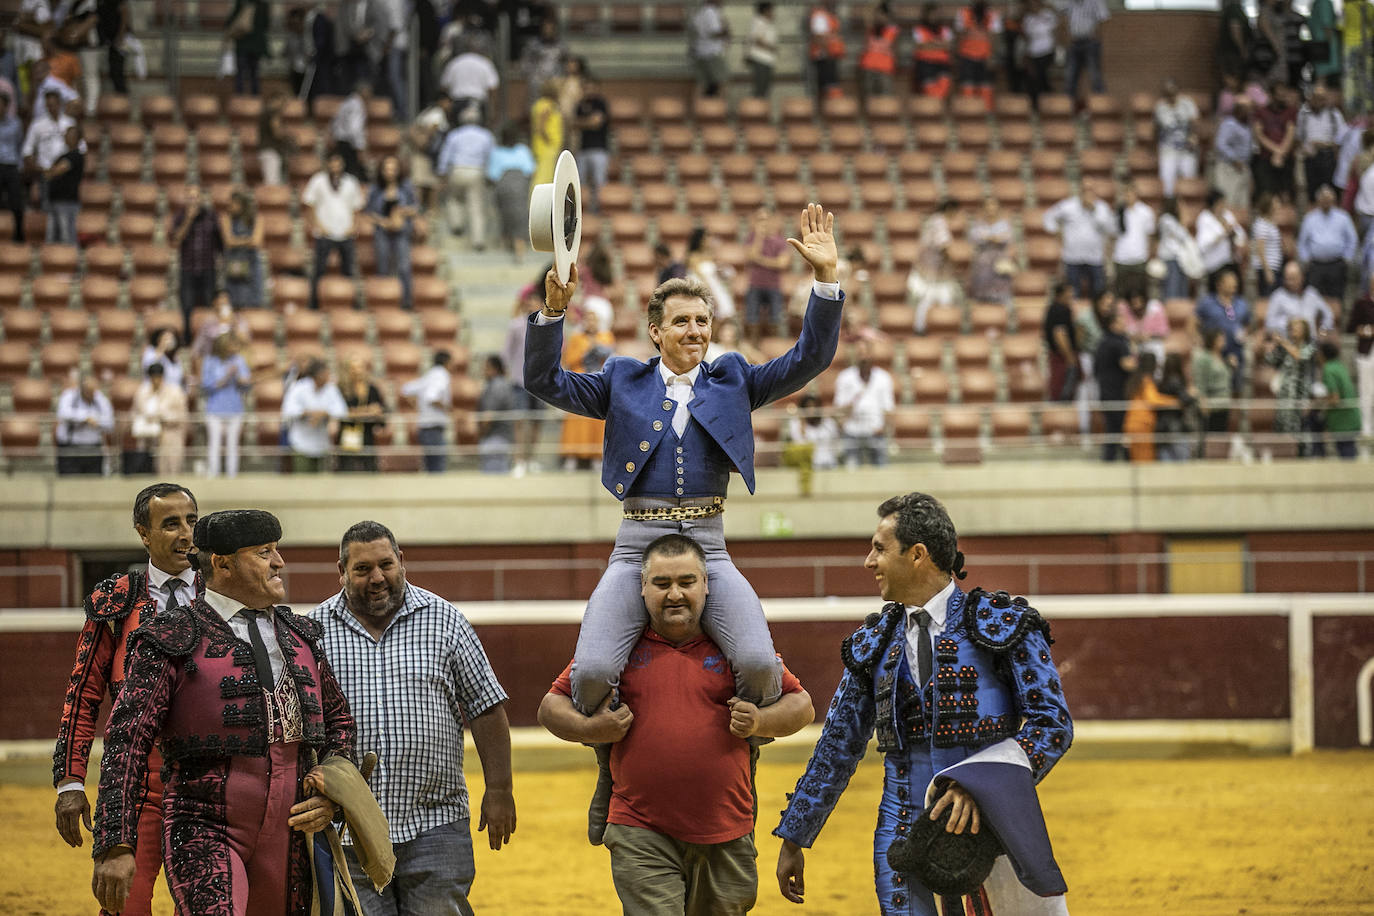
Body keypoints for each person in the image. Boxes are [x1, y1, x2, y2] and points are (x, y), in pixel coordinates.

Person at [525, 203, 843, 834]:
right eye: (682, 322)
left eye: (703, 320)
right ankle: (609, 767)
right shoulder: (620, 378)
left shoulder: (733, 378)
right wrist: (554, 313)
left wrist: (826, 282)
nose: (696, 331)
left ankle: (742, 761)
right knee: (590, 673)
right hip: (636, 545)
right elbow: (544, 381)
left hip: (709, 542)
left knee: (756, 664)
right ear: (655, 331)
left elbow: (807, 359)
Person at [775, 492, 1072, 916]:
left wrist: (980, 786)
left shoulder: (1001, 624)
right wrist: (795, 836)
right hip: (900, 832)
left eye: (879, 549)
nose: (868, 562)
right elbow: (837, 746)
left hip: (990, 822)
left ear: (917, 555)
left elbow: (1052, 724)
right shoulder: (873, 644)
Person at [90, 509, 358, 916]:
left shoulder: (300, 634)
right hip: (203, 825)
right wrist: (115, 842)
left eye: (277, 550)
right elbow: (126, 742)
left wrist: (331, 794)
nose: (279, 562)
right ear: (222, 563)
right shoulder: (169, 636)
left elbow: (340, 724)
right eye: (264, 552)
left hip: (289, 831)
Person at [539, 533, 814, 914]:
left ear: (706, 585)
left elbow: (802, 705)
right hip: (640, 830)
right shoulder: (619, 648)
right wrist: (591, 730)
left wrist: (760, 720)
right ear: (642, 588)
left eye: (686, 582)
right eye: (662, 583)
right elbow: (550, 706)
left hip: (728, 830)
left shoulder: (735, 647)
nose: (674, 594)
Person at [313, 520, 515, 913]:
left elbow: (487, 709)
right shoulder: (314, 631)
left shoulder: (445, 620)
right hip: (348, 826)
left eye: (386, 565)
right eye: (362, 569)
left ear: (401, 562)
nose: (377, 578)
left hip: (436, 820)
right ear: (341, 572)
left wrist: (500, 790)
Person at [52, 483, 200, 916]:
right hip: (137, 782)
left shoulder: (223, 592)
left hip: (210, 781)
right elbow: (82, 696)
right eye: (170, 524)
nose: (186, 535)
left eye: (191, 521)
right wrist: (71, 782)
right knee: (125, 905)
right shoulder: (119, 600)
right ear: (143, 532)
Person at [303, 152, 365, 311]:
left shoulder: (351, 182)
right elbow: (309, 204)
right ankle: (314, 303)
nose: (335, 167)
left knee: (349, 271)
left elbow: (357, 207)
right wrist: (318, 225)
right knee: (319, 270)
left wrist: (354, 226)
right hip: (324, 233)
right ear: (327, 164)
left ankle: (351, 303)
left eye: (338, 163)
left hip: (345, 233)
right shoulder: (318, 180)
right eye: (332, 163)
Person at [1043, 183, 1115, 299]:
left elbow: (1110, 228)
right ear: (1080, 192)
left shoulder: (1102, 207)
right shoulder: (1068, 205)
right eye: (1085, 191)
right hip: (1073, 258)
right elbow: (1048, 217)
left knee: (1097, 294)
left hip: (1095, 258)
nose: (1088, 194)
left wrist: (1094, 210)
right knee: (1072, 294)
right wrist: (1057, 233)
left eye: (1090, 191)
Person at [437, 104, 494, 249]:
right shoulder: (486, 135)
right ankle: (478, 240)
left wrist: (442, 171)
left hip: (457, 169)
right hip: (476, 171)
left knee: (454, 199)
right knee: (476, 205)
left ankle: (457, 224)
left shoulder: (454, 134)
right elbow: (491, 156)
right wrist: (489, 174)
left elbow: (445, 155)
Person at [170, 184, 223, 339]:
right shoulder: (180, 216)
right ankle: (188, 338)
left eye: (196, 197)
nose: (193, 201)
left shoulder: (211, 216)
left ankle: (209, 337)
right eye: (190, 197)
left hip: (208, 267)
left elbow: (220, 242)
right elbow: (175, 241)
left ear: (201, 198)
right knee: (187, 305)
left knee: (208, 304)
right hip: (187, 267)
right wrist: (188, 219)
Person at [366, 154, 418, 310]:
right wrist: (383, 222)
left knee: (404, 266)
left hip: (402, 229)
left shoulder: (406, 186)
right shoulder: (375, 189)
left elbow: (415, 208)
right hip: (382, 230)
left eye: (393, 169)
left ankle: (406, 302)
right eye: (387, 169)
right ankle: (384, 301)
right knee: (383, 265)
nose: (390, 172)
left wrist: (401, 212)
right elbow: (368, 211)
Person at [834, 338, 895, 467]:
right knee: (851, 470)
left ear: (872, 355)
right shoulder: (845, 377)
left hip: (875, 431)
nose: (864, 357)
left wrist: (883, 428)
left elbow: (889, 408)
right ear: (855, 356)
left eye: (866, 353)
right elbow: (838, 408)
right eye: (860, 353)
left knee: (881, 469)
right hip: (852, 431)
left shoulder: (883, 378)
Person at [282, 357, 348, 472]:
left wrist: (324, 413)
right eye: (326, 373)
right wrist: (309, 413)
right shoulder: (299, 387)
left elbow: (342, 411)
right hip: (301, 443)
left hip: (322, 443)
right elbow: (288, 410)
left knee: (322, 484)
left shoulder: (331, 389)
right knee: (303, 483)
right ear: (317, 375)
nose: (329, 376)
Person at [1265, 317, 1318, 453]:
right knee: (1282, 427)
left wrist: (1283, 342)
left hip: (1302, 395)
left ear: (1305, 330)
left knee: (1301, 428)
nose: (1293, 330)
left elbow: (1300, 356)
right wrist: (1271, 345)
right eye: (1291, 327)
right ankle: (1284, 454)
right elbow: (1269, 360)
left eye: (1297, 327)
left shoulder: (1311, 346)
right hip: (1285, 395)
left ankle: (1304, 457)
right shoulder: (1284, 348)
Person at [1196, 267, 1252, 394]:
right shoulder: (1208, 302)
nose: (1234, 284)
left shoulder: (1241, 303)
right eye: (1230, 281)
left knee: (1236, 387)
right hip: (1212, 352)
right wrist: (1197, 338)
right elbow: (1194, 321)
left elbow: (1247, 324)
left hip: (1235, 350)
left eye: (1235, 281)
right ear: (1219, 284)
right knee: (1213, 387)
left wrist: (1244, 334)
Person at [202, 332, 251, 478]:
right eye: (232, 344)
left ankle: (232, 476)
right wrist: (226, 376)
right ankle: (213, 475)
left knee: (233, 445)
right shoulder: (210, 361)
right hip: (215, 409)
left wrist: (242, 380)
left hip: (235, 408)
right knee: (214, 444)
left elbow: (246, 384)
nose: (235, 348)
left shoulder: (239, 360)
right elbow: (207, 386)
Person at [1297, 184, 1358, 298]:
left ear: (1333, 200)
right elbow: (1302, 242)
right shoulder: (1309, 218)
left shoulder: (1343, 217)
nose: (1326, 202)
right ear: (1318, 200)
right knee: (1312, 297)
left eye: (1328, 199)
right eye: (1323, 199)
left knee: (1336, 297)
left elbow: (1352, 239)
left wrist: (1347, 258)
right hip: (1315, 265)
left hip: (1336, 264)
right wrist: (1305, 259)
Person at [487, 123, 536, 260]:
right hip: (520, 185)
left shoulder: (496, 152)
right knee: (520, 217)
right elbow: (531, 170)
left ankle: (506, 245)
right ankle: (519, 249)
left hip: (503, 185)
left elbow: (492, 175)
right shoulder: (523, 150)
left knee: (505, 216)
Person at [1094, 306, 1137, 461]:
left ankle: (1109, 459)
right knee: (1121, 428)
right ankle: (1125, 459)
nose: (1124, 324)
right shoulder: (1119, 342)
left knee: (1112, 429)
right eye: (1121, 322)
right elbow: (1127, 364)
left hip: (1104, 391)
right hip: (1118, 392)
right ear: (1112, 325)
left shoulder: (1102, 341)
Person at [132, 362, 189, 475]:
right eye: (153, 378)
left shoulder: (175, 392)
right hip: (147, 439)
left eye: (158, 377)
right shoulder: (142, 392)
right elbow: (135, 413)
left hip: (170, 438)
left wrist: (162, 416)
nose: (156, 380)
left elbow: (182, 416)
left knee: (170, 475)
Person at [1122, 351, 1180, 462]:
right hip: (1142, 425)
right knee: (1145, 460)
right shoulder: (1146, 380)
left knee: (1136, 459)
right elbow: (1153, 400)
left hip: (1131, 423)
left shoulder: (1135, 379)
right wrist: (1174, 401)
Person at [401, 350, 453, 473]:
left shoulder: (429, 375)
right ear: (446, 362)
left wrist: (417, 404)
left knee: (431, 467)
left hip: (425, 428)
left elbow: (406, 389)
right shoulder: (442, 375)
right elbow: (432, 397)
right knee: (437, 468)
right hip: (434, 427)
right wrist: (448, 408)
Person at [744, 209, 790, 343]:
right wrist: (759, 237)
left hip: (773, 285)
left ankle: (772, 345)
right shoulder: (752, 237)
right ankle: (754, 346)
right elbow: (751, 255)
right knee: (752, 318)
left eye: (765, 219)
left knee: (775, 319)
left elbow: (782, 263)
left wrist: (760, 260)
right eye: (760, 219)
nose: (763, 223)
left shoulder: (780, 240)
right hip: (755, 284)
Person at [337, 353, 386, 473]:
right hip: (348, 435)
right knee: (347, 469)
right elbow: (343, 413)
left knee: (370, 469)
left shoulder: (372, 388)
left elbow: (380, 410)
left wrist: (358, 412)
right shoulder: (341, 388)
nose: (358, 371)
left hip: (367, 434)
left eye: (360, 367)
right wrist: (368, 411)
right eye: (354, 368)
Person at [56, 373, 113, 475]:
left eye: (93, 391)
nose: (91, 394)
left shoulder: (100, 399)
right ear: (82, 389)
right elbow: (63, 413)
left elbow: (110, 423)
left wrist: (97, 421)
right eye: (88, 391)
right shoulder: (69, 396)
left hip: (94, 449)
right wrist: (85, 418)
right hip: (71, 448)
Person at [1297, 86, 1346, 197]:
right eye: (1315, 98)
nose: (1318, 101)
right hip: (1310, 158)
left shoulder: (1334, 114)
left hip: (1328, 157)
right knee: (1311, 193)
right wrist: (1305, 149)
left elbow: (1342, 139)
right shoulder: (1303, 114)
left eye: (1321, 98)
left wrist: (1324, 145)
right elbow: (1298, 137)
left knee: (1330, 192)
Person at [220, 188, 265, 309]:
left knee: (254, 304)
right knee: (234, 302)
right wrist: (247, 240)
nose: (230, 207)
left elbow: (256, 242)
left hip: (252, 266)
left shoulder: (257, 218)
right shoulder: (226, 218)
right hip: (233, 265)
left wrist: (238, 240)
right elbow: (228, 241)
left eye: (233, 204)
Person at [1265, 260, 1335, 336]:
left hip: (1311, 343)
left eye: (1293, 278)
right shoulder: (1278, 296)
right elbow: (1269, 323)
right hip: (1287, 342)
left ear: (1302, 277)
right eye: (1287, 279)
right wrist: (1290, 324)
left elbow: (1328, 314)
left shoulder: (1312, 294)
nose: (1289, 282)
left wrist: (1323, 330)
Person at [1252, 82, 1297, 202]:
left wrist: (1281, 153)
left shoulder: (1291, 111)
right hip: (1266, 159)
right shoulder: (1261, 112)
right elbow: (1259, 135)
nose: (1282, 97)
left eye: (1284, 94)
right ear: (1271, 96)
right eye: (1279, 95)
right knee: (1267, 194)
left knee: (1286, 195)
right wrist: (1276, 151)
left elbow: (1290, 133)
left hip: (1286, 159)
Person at [1155, 79, 1199, 198]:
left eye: (1173, 93)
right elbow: (1156, 129)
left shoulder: (1187, 103)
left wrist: (1193, 136)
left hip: (1186, 149)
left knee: (1189, 180)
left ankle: (1187, 204)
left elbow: (1194, 123)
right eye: (1168, 94)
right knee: (1167, 184)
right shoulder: (1160, 107)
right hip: (1168, 149)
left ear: (1178, 91)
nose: (1171, 96)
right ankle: (1170, 206)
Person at [1195, 189, 1247, 288]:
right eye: (1221, 203)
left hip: (1230, 260)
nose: (1223, 206)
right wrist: (1223, 233)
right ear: (1214, 204)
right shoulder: (1204, 218)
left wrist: (1233, 232)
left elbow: (1241, 235)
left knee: (1237, 286)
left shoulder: (1227, 215)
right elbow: (1202, 245)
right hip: (1214, 264)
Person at [1112, 183, 1155, 301]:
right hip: (1121, 258)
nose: (1128, 196)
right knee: (1120, 295)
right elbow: (1113, 236)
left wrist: (1150, 255)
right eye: (1125, 194)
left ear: (1136, 194)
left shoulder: (1146, 212)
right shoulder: (1118, 211)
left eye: (1130, 193)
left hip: (1139, 258)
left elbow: (1150, 235)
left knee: (1140, 294)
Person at [475, 354, 518, 473]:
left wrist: (481, 433)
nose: (483, 371)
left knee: (493, 480)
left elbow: (488, 416)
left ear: (494, 368)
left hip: (495, 439)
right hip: (500, 438)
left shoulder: (496, 386)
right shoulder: (503, 384)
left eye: (485, 367)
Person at [574, 72, 610, 213]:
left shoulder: (601, 103)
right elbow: (573, 123)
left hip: (599, 149)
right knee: (580, 183)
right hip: (583, 149)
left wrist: (583, 123)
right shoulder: (579, 105)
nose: (588, 90)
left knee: (599, 182)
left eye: (590, 87)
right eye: (585, 87)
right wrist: (588, 122)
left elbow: (597, 122)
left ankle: (598, 210)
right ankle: (581, 211)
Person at [1318, 339, 1360, 458]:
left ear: (1322, 354)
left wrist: (1321, 404)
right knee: (1350, 452)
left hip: (1342, 421)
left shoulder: (1328, 369)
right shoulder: (1340, 366)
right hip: (1352, 417)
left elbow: (1335, 398)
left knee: (1346, 455)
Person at [440, 37, 499, 119]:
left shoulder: (454, 63)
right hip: (478, 102)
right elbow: (493, 88)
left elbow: (444, 86)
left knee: (457, 129)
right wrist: (492, 108)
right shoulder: (485, 63)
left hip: (458, 103)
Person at [967, 197, 1013, 304]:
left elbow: (1007, 238)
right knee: (982, 295)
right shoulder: (978, 224)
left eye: (993, 205)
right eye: (987, 205)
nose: (990, 208)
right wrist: (993, 238)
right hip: (983, 262)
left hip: (1000, 261)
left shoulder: (1004, 224)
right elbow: (974, 238)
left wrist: (990, 238)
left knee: (1001, 293)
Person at [954, 0, 999, 108]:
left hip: (985, 57)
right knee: (967, 86)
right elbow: (959, 36)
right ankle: (968, 112)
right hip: (966, 56)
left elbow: (995, 38)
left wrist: (992, 56)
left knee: (986, 87)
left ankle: (987, 114)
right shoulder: (963, 12)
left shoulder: (992, 14)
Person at [43, 123, 83, 245]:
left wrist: (50, 171)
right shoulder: (63, 155)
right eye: (66, 134)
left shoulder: (76, 156)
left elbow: (55, 171)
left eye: (70, 135)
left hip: (67, 202)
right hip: (55, 200)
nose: (66, 137)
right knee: (51, 238)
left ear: (77, 138)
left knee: (67, 238)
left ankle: (71, 262)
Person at [1214, 97, 1256, 212]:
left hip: (1243, 167)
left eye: (1250, 109)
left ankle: (1240, 228)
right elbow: (1220, 144)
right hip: (1229, 167)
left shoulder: (1247, 126)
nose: (1249, 112)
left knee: (1243, 203)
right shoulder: (1229, 124)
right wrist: (1234, 159)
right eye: (1246, 109)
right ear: (1237, 109)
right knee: (1229, 201)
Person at [1193, 327, 1234, 437]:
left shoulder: (1222, 356)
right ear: (1213, 340)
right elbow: (1200, 381)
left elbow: (1223, 379)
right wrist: (1202, 400)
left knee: (1220, 437)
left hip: (1223, 404)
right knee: (1211, 438)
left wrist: (1231, 367)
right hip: (1211, 405)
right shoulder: (1204, 358)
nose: (1224, 341)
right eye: (1220, 339)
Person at [1063, 0, 1108, 100]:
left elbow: (1103, 20)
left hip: (1090, 43)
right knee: (1070, 76)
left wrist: (1097, 38)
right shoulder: (1070, 2)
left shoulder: (1096, 2)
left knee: (1094, 75)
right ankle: (1068, 108)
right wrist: (1068, 37)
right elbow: (1066, 18)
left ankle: (1100, 106)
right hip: (1074, 43)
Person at [1347, 279, 1374, 436]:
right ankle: (1367, 429)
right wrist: (1367, 330)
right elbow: (1351, 327)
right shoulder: (1362, 303)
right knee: (1366, 390)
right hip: (1367, 350)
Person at [1043, 282, 1079, 401]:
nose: (1072, 296)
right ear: (1060, 295)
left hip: (1059, 355)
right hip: (1061, 357)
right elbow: (1060, 334)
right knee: (1061, 390)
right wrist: (1070, 357)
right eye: (1069, 294)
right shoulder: (1061, 310)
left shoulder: (1052, 309)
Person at [1019, 0, 1057, 111]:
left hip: (1047, 51)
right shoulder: (1028, 18)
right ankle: (1036, 105)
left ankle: (1047, 101)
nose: (1033, 6)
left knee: (1040, 75)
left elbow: (1057, 31)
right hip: (1033, 52)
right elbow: (1025, 37)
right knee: (1032, 78)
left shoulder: (1048, 14)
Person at [329, 79, 371, 180]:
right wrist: (360, 148)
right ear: (363, 91)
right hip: (350, 145)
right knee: (352, 176)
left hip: (340, 142)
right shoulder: (358, 105)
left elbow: (334, 123)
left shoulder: (346, 102)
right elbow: (355, 129)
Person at [911, 2, 954, 100]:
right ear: (926, 15)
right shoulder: (918, 29)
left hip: (943, 64)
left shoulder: (946, 30)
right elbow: (920, 46)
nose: (934, 17)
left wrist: (930, 44)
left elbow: (948, 46)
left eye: (936, 14)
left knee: (944, 87)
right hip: (925, 64)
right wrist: (940, 44)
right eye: (931, 14)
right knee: (930, 94)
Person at [226, 0, 269, 96]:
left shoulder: (241, 3)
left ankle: (239, 98)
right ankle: (255, 99)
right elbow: (266, 25)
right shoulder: (263, 6)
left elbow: (230, 22)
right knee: (254, 74)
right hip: (256, 46)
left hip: (243, 45)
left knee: (240, 74)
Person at [1156, 197, 1196, 300]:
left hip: (1180, 259)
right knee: (1172, 290)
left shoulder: (1174, 221)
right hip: (1170, 259)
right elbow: (1182, 235)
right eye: (1179, 205)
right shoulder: (1166, 219)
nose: (1181, 208)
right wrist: (1184, 220)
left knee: (1182, 291)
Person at [689, 0, 731, 98]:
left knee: (705, 86)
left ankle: (700, 109)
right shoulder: (710, 12)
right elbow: (714, 32)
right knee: (722, 83)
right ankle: (720, 109)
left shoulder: (699, 13)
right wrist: (725, 31)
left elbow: (695, 30)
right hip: (712, 53)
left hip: (700, 53)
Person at [859, 2, 900, 101]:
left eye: (882, 15)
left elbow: (896, 51)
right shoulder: (870, 29)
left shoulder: (893, 31)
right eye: (877, 14)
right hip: (868, 68)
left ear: (887, 16)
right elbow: (866, 12)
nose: (879, 17)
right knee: (868, 99)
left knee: (886, 98)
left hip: (885, 70)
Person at [257, 89, 296, 187]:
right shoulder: (273, 113)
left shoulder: (265, 112)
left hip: (266, 151)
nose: (284, 106)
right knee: (272, 185)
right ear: (276, 100)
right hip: (271, 152)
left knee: (273, 182)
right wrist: (289, 137)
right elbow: (277, 133)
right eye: (283, 102)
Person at [0, 88, 24, 241]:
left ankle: (18, 235)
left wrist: (20, 166)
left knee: (16, 202)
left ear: (7, 105)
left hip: (11, 165)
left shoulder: (15, 123)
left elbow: (19, 144)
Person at [808, 1, 845, 100]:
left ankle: (830, 111)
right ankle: (826, 112)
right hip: (825, 57)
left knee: (831, 88)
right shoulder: (820, 15)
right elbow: (818, 37)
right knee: (827, 89)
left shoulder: (830, 15)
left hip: (830, 56)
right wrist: (828, 53)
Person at [530, 79, 562, 189]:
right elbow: (541, 126)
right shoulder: (547, 106)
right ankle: (539, 201)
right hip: (547, 147)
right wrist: (549, 140)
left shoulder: (539, 104)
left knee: (542, 173)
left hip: (541, 146)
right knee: (544, 176)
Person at [1251, 192, 1284, 296]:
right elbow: (1260, 249)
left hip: (1275, 266)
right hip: (1267, 268)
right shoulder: (1261, 224)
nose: (1278, 205)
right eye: (1276, 202)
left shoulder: (1271, 223)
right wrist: (1267, 271)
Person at [747, 1, 778, 99]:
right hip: (760, 59)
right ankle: (756, 111)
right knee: (760, 88)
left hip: (767, 59)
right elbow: (757, 39)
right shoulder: (758, 21)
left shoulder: (768, 23)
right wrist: (771, 47)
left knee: (765, 88)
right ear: (765, 10)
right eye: (771, 10)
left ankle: (762, 110)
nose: (773, 13)